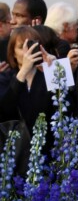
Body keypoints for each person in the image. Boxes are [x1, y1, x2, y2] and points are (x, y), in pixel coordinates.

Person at [0, 26, 56, 159]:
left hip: (46, 152)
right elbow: (4, 111)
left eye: (31, 45)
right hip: (15, 153)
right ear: (12, 52)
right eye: (22, 47)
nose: (28, 52)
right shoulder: (5, 78)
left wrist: (56, 69)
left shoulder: (49, 74)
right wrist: (23, 72)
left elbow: (67, 106)